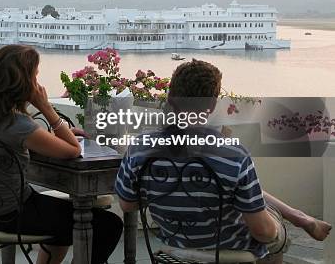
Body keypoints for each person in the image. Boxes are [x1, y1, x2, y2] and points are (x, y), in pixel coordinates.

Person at [115, 59, 331, 264]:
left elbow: (128, 204)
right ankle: (297, 218)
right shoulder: (233, 154)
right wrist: (275, 227)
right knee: (274, 235)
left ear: (170, 99)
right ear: (212, 105)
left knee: (240, 195)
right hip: (228, 249)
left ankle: (298, 217)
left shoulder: (139, 148)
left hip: (174, 243)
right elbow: (262, 233)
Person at [0, 45, 122, 264]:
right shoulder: (16, 123)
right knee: (108, 224)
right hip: (11, 215)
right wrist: (46, 108)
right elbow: (73, 150)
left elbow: (15, 138)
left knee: (63, 218)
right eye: (34, 76)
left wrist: (52, 137)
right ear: (23, 81)